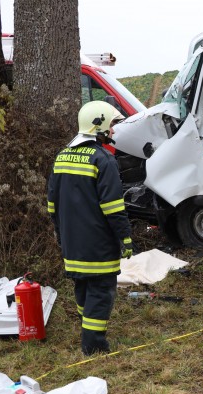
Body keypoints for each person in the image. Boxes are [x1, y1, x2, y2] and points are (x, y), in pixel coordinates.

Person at [47, 100, 133, 356]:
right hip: (98, 243)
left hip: (72, 242)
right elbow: (113, 207)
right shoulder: (102, 159)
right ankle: (93, 345)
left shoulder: (62, 156)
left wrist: (61, 234)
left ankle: (88, 331)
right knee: (101, 291)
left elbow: (52, 203)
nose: (114, 130)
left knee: (83, 287)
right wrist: (126, 238)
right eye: (113, 124)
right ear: (99, 124)